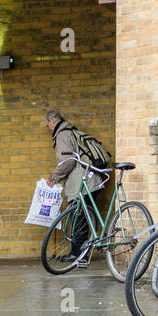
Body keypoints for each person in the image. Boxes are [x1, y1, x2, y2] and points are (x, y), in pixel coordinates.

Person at [43, 108, 109, 263]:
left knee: (77, 217)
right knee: (82, 217)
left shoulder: (62, 134)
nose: (48, 129)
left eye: (47, 125)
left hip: (82, 181)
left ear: (53, 121)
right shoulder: (70, 131)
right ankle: (82, 252)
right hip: (90, 179)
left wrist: (54, 177)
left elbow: (68, 160)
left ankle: (78, 253)